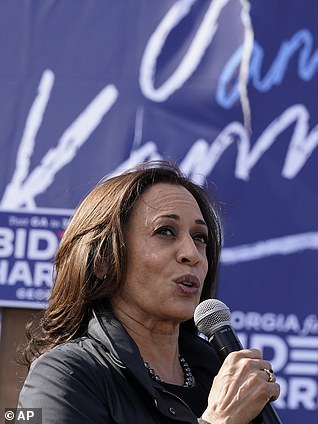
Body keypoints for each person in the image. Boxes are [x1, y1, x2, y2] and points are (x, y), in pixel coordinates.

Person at [17, 161, 280, 423]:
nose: (192, 254)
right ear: (102, 260)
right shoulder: (64, 375)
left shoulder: (219, 375)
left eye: (200, 237)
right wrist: (219, 420)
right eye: (165, 231)